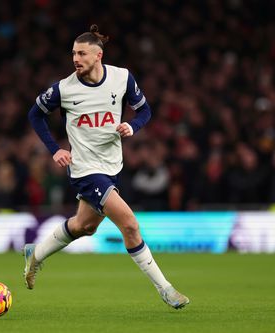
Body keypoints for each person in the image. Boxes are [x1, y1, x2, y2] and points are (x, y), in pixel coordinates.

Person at [25, 24, 189, 309]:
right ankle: (166, 289)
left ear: (98, 55)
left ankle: (36, 254)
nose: (76, 59)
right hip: (85, 170)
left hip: (112, 165)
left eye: (82, 53)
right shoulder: (64, 89)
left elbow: (145, 110)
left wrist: (132, 125)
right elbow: (34, 115)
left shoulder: (122, 78)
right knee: (130, 225)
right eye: (73, 53)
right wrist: (55, 150)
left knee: (84, 226)